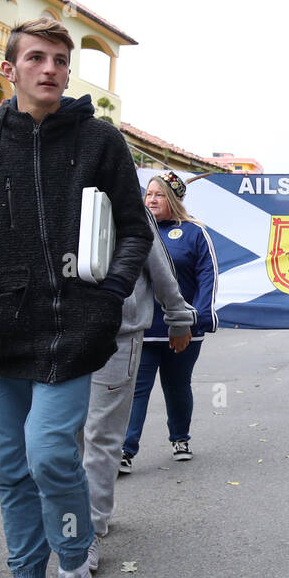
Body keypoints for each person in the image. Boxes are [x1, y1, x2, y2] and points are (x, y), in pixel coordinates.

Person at [0, 18, 153, 578]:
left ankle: (72, 570)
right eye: (36, 57)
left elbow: (136, 229)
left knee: (51, 454)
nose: (51, 68)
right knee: (10, 469)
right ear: (10, 69)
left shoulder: (100, 142)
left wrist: (109, 295)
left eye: (60, 59)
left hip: (72, 331)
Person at [82, 195, 194, 568]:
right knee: (67, 434)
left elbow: (159, 267)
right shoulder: (50, 189)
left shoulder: (123, 201)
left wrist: (179, 317)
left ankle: (90, 531)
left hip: (119, 334)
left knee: (101, 433)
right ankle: (85, 514)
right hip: (60, 335)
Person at [122, 173, 218, 469]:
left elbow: (207, 278)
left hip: (184, 329)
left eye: (159, 195)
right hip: (144, 329)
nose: (151, 199)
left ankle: (180, 437)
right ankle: (124, 450)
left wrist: (194, 321)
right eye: (148, 194)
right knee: (137, 388)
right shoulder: (133, 231)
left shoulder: (193, 233)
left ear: (174, 199)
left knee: (177, 386)